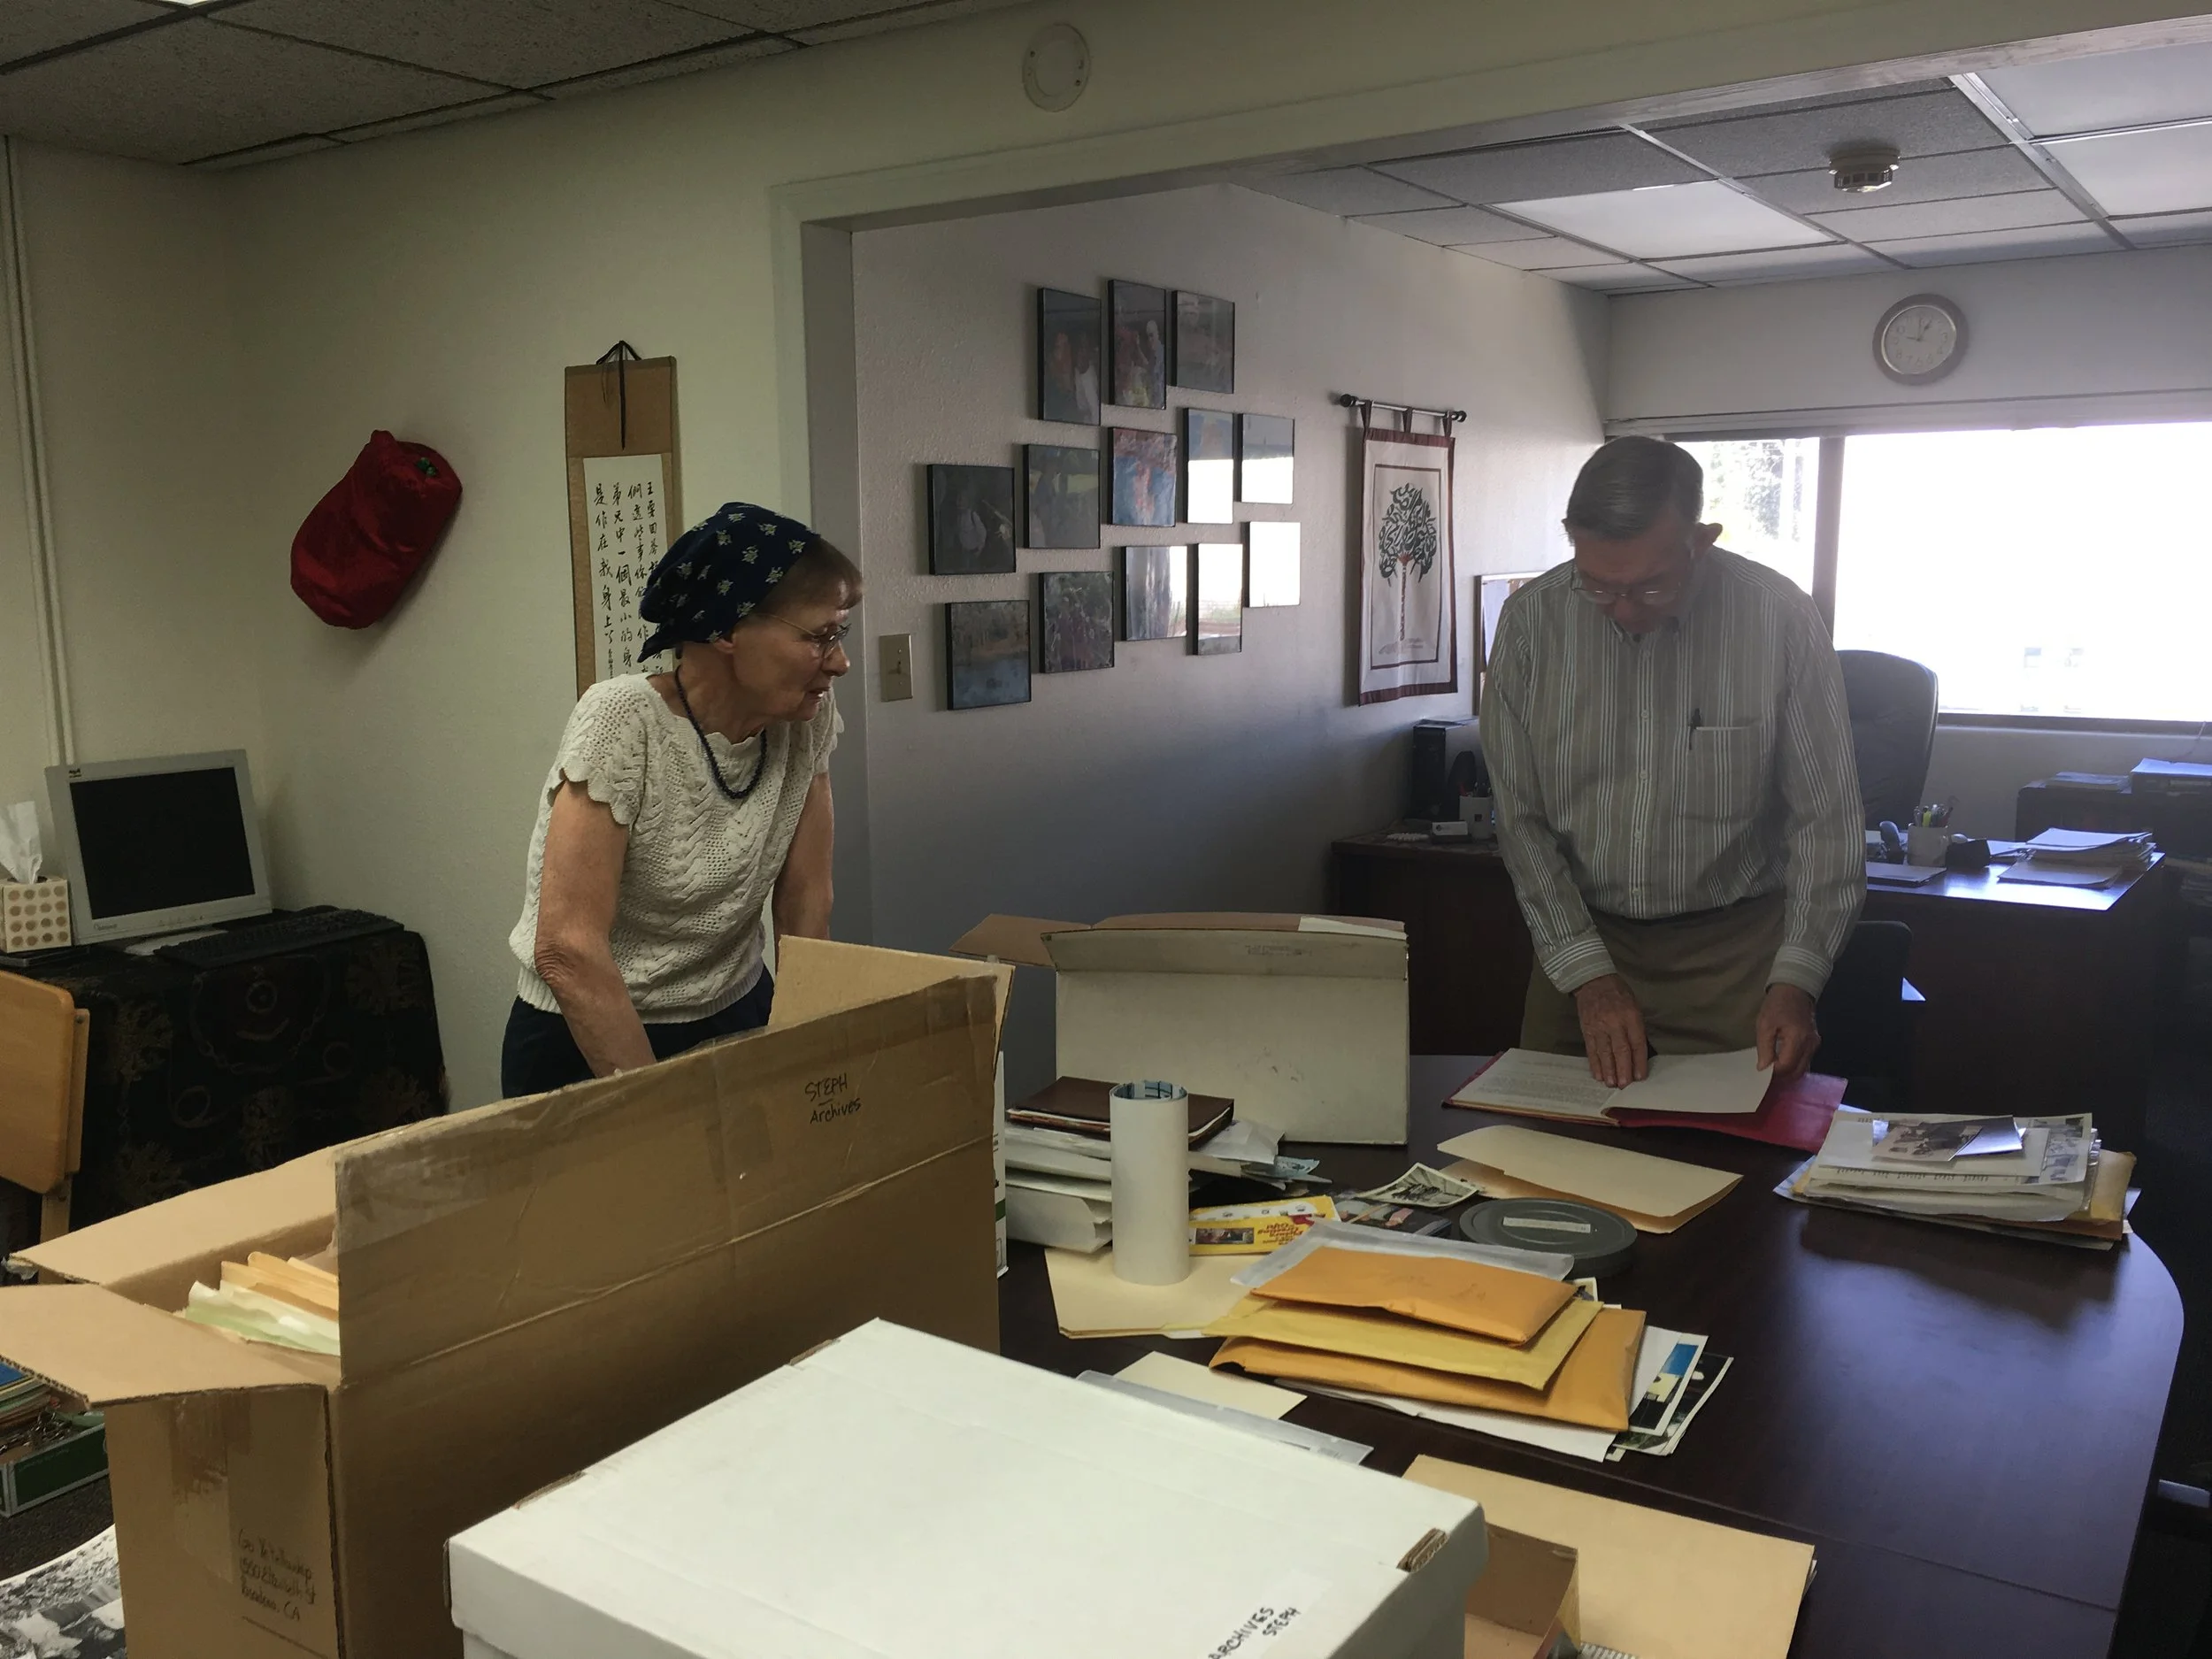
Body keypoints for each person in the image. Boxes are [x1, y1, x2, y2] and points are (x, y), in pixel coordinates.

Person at [1481, 437, 1862, 1088]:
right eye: (1599, 587)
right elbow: (1521, 823)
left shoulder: (1781, 619)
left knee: (1729, 1173)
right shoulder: (1530, 624)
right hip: (1580, 944)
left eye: (1651, 586)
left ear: (1701, 540)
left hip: (1733, 958)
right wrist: (1588, 975)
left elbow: (1827, 827)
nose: (1625, 611)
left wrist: (1797, 980)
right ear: (1571, 537)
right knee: (1551, 1158)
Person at [501, 501, 857, 1096]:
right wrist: (658, 1106)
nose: (840, 662)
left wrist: (805, 1051)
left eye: (839, 634)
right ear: (726, 629)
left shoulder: (805, 720)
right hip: (590, 1032)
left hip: (733, 1008)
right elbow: (567, 947)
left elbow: (806, 901)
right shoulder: (621, 722)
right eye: (820, 637)